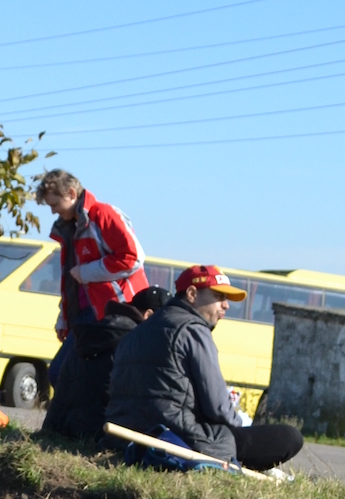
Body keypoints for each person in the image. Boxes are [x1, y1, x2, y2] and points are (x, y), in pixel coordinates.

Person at [108, 265, 305, 473]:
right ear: (192, 294)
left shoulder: (135, 333)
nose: (226, 305)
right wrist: (241, 427)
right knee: (290, 437)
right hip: (177, 436)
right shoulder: (192, 329)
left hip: (123, 435)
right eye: (219, 297)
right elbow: (218, 407)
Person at [41, 285, 171, 443]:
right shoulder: (134, 344)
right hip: (98, 436)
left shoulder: (99, 330)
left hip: (59, 430)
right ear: (148, 315)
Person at [38, 169, 146, 338]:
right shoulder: (69, 229)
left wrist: (86, 272)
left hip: (115, 314)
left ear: (71, 194)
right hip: (85, 315)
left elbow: (133, 258)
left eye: (55, 205)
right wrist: (63, 319)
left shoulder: (103, 215)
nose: (53, 211)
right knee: (67, 357)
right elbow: (71, 282)